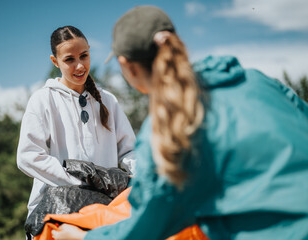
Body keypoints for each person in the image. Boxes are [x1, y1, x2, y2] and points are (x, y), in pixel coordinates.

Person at [50, 6, 308, 240]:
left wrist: (81, 238)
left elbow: (147, 226)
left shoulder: (167, 124)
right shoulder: (256, 81)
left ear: (127, 66)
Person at [16, 25, 136, 239]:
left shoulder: (108, 100)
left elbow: (130, 151)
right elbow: (27, 157)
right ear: (55, 62)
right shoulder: (43, 99)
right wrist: (81, 180)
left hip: (102, 212)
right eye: (69, 59)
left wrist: (139, 178)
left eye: (84, 55)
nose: (79, 65)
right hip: (56, 212)